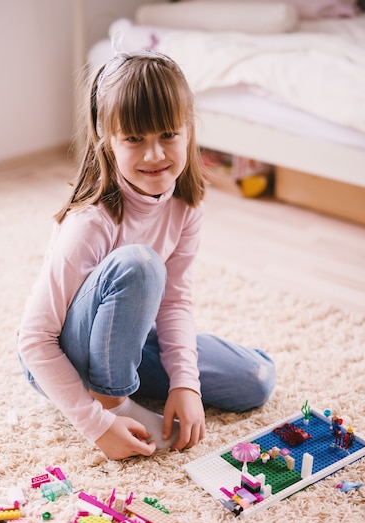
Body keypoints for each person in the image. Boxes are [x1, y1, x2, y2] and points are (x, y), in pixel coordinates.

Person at [18, 51, 275, 461]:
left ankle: (122, 383)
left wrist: (185, 384)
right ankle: (110, 399)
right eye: (135, 139)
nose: (154, 155)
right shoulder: (91, 222)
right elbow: (34, 340)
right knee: (140, 263)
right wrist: (97, 425)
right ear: (108, 140)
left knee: (257, 377)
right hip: (66, 351)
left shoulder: (187, 205)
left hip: (127, 335)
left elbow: (173, 302)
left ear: (188, 131)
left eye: (168, 135)